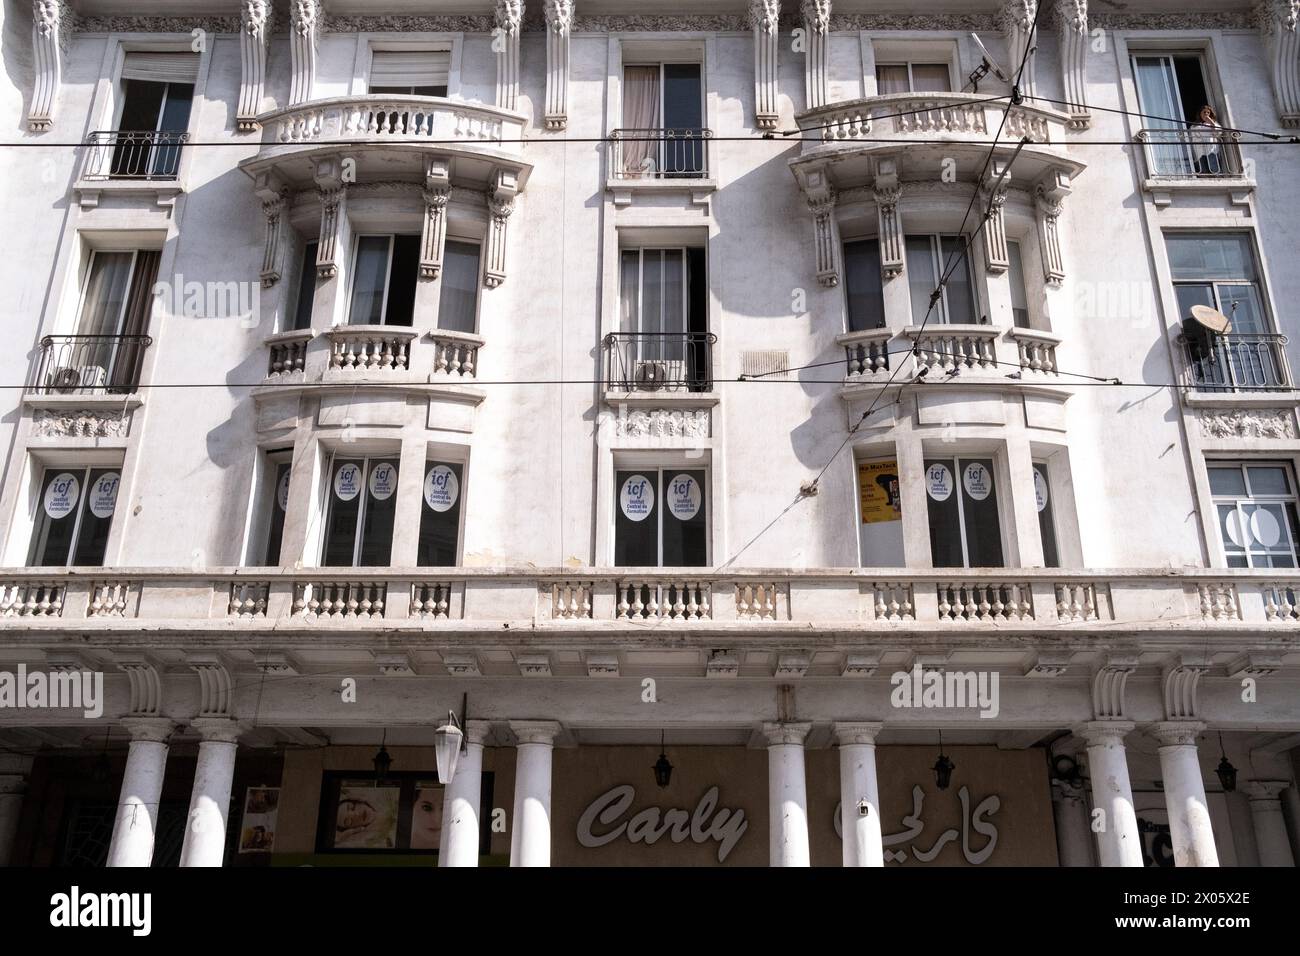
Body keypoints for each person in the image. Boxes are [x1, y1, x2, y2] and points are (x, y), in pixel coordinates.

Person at [1189, 105, 1222, 175]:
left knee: (1214, 168)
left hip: (1211, 149)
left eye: (1208, 112)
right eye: (1204, 112)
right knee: (1204, 170)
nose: (1206, 114)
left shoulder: (1214, 124)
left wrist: (1212, 123)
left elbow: (1218, 133)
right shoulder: (1194, 126)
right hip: (1200, 150)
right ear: (1200, 114)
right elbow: (1194, 136)